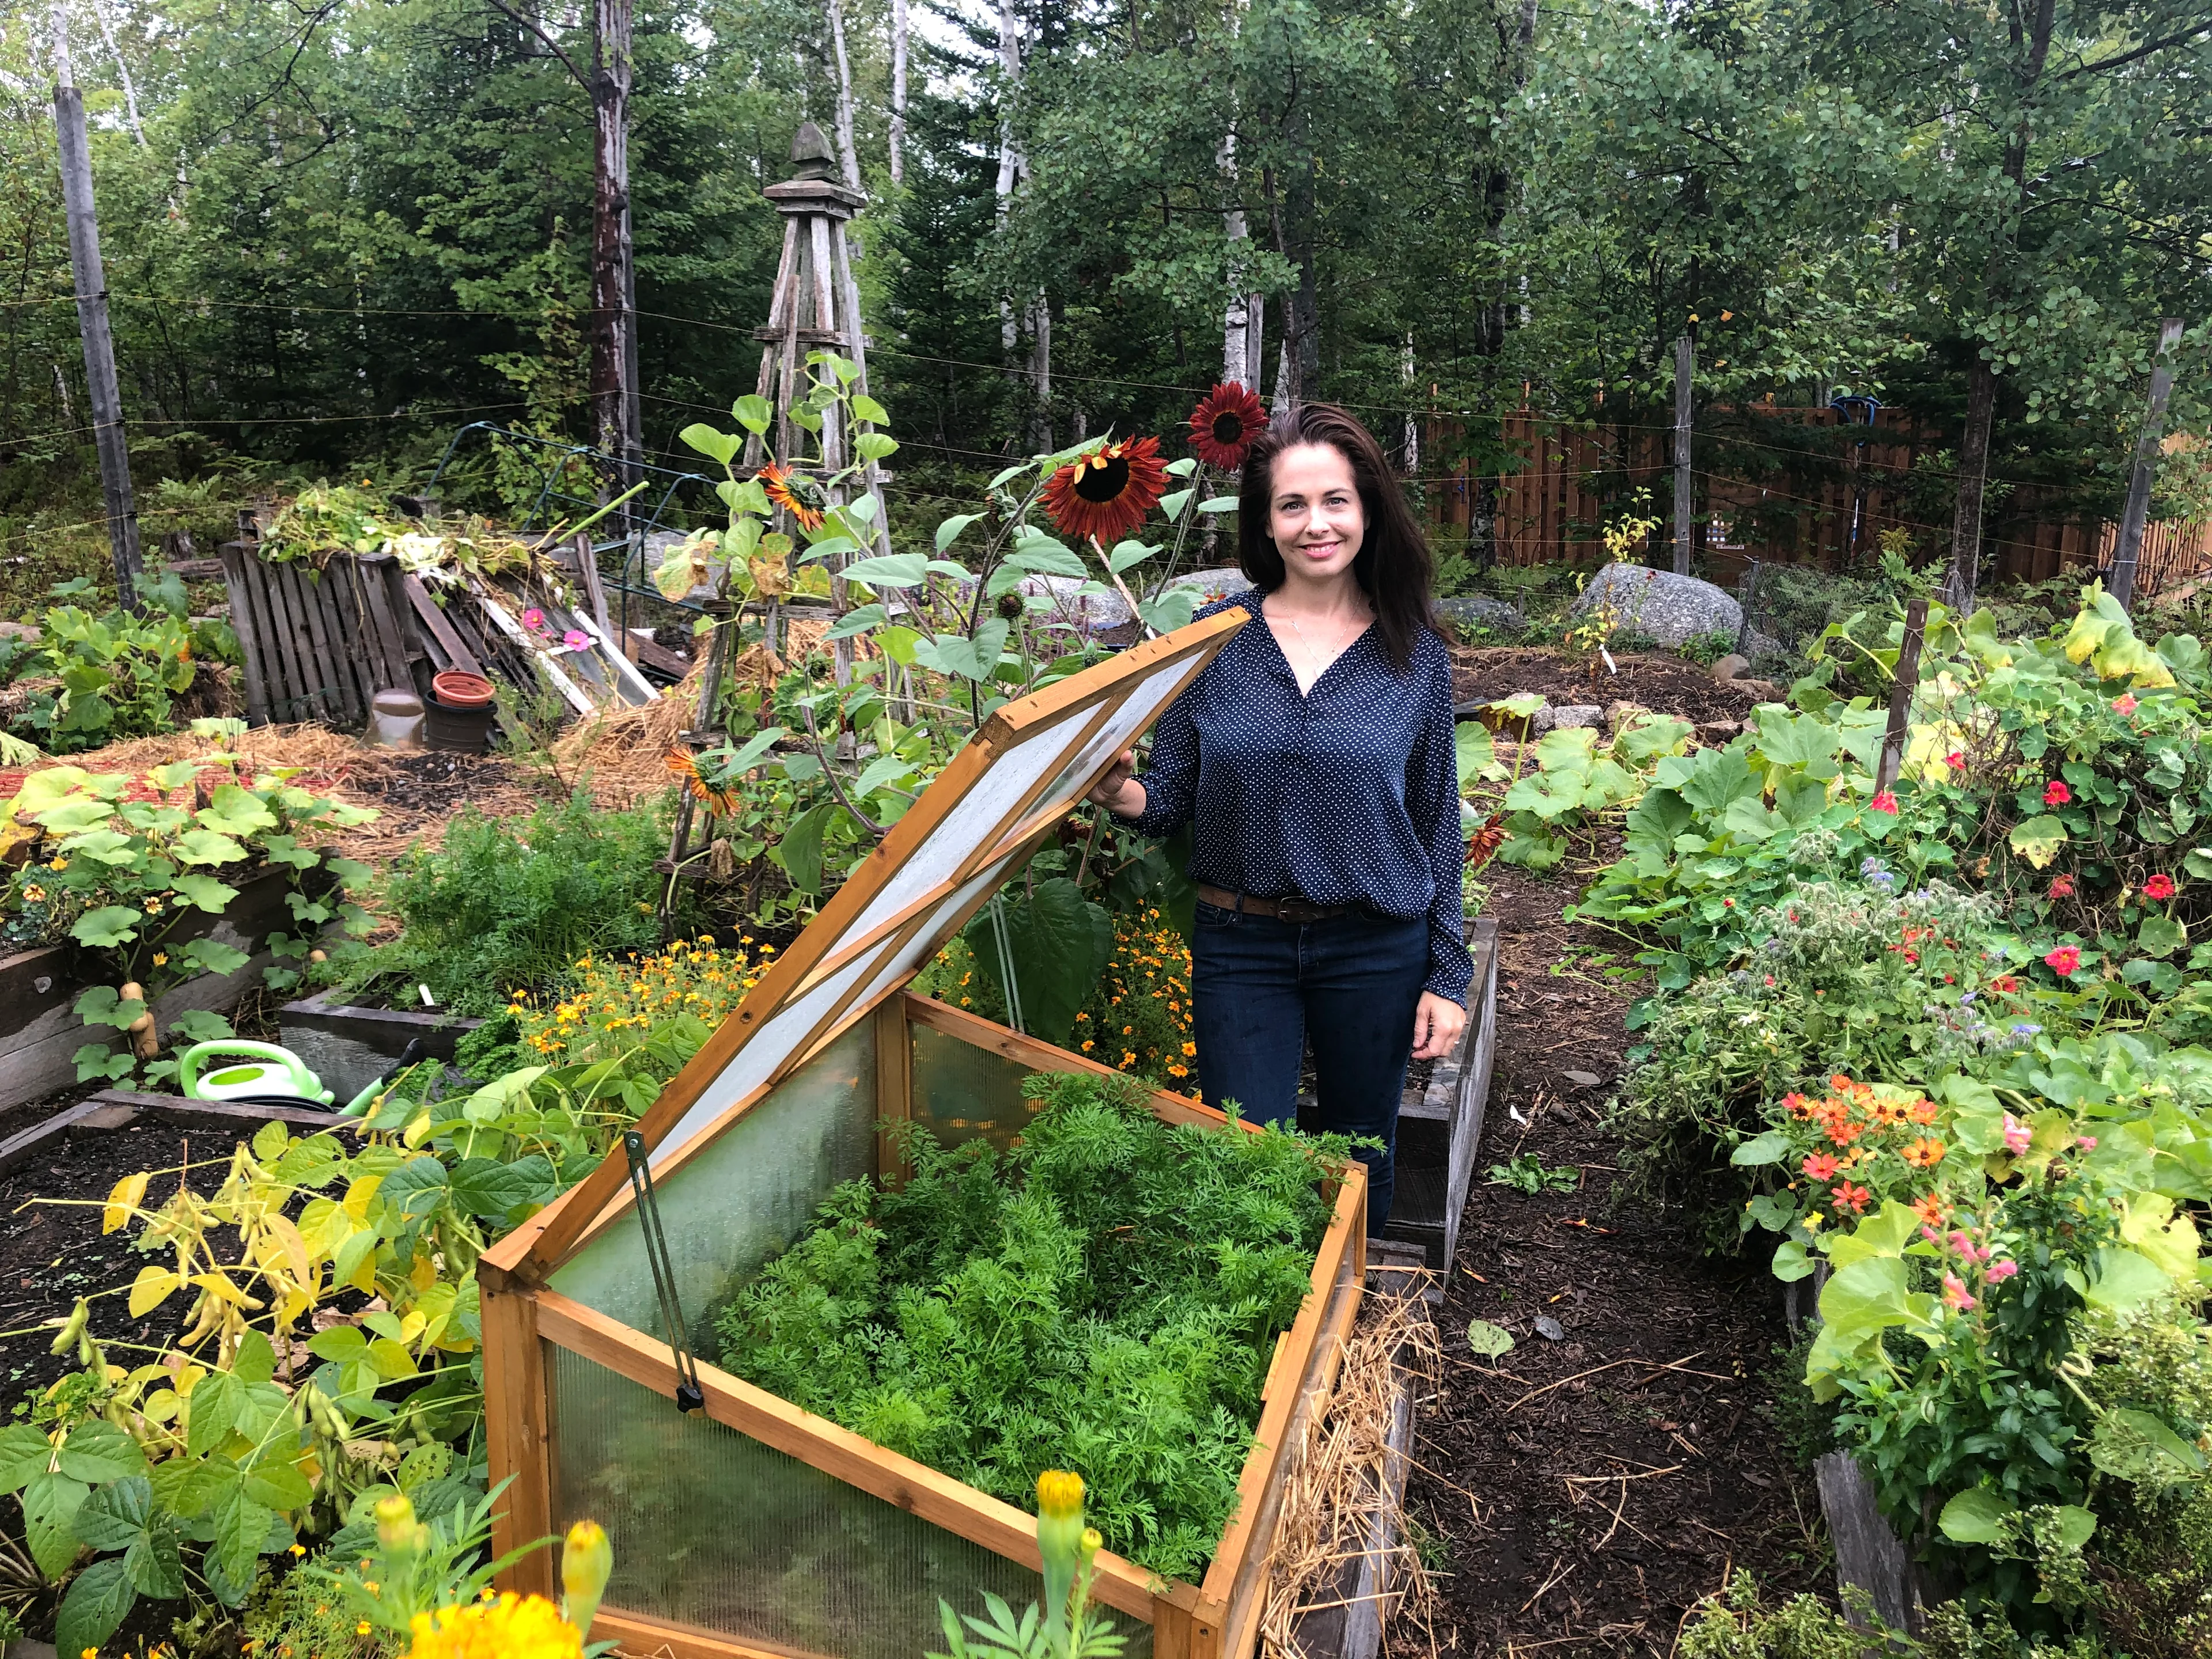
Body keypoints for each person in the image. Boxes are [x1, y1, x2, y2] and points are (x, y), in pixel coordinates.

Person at [1088, 401, 1470, 1230]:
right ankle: (1261, 1343)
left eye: (1335, 500)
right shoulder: (1215, 639)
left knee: (1358, 1158)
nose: (1316, 524)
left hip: (1375, 947)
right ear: (1266, 524)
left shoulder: (1413, 652)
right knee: (1239, 1157)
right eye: (1292, 505)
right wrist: (1116, 790)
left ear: (1367, 508)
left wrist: (1448, 976)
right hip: (1242, 943)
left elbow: (1437, 818)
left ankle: (1338, 1340)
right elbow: (1171, 798)